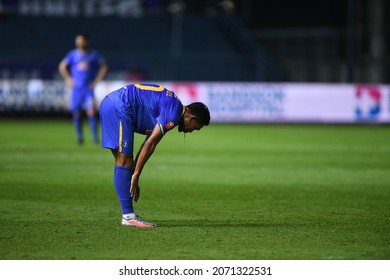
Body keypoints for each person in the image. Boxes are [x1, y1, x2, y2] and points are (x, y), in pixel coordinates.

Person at [99, 83, 210, 228]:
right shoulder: (173, 114)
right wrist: (136, 174)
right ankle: (128, 217)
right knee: (124, 161)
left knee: (125, 162)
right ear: (192, 118)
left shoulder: (172, 106)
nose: (189, 132)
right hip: (119, 107)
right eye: (195, 128)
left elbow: (147, 141)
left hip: (113, 104)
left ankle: (128, 215)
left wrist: (134, 173)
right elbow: (151, 143)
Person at [58, 33, 108, 144]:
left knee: (91, 111)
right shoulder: (72, 55)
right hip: (76, 89)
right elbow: (62, 66)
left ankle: (95, 138)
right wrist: (68, 79)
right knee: (76, 113)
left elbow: (104, 66)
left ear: (86, 41)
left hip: (88, 89)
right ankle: (79, 138)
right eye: (78, 41)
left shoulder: (93, 55)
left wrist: (96, 81)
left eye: (82, 40)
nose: (79, 43)